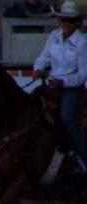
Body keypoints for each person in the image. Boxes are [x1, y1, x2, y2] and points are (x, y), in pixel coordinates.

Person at [34, 1, 87, 173]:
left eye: (71, 21)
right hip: (53, 84)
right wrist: (38, 68)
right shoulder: (54, 36)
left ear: (78, 22)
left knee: (67, 118)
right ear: (60, 21)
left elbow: (82, 74)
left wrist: (63, 82)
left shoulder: (82, 43)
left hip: (71, 88)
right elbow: (44, 57)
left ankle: (82, 157)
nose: (67, 24)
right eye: (64, 20)